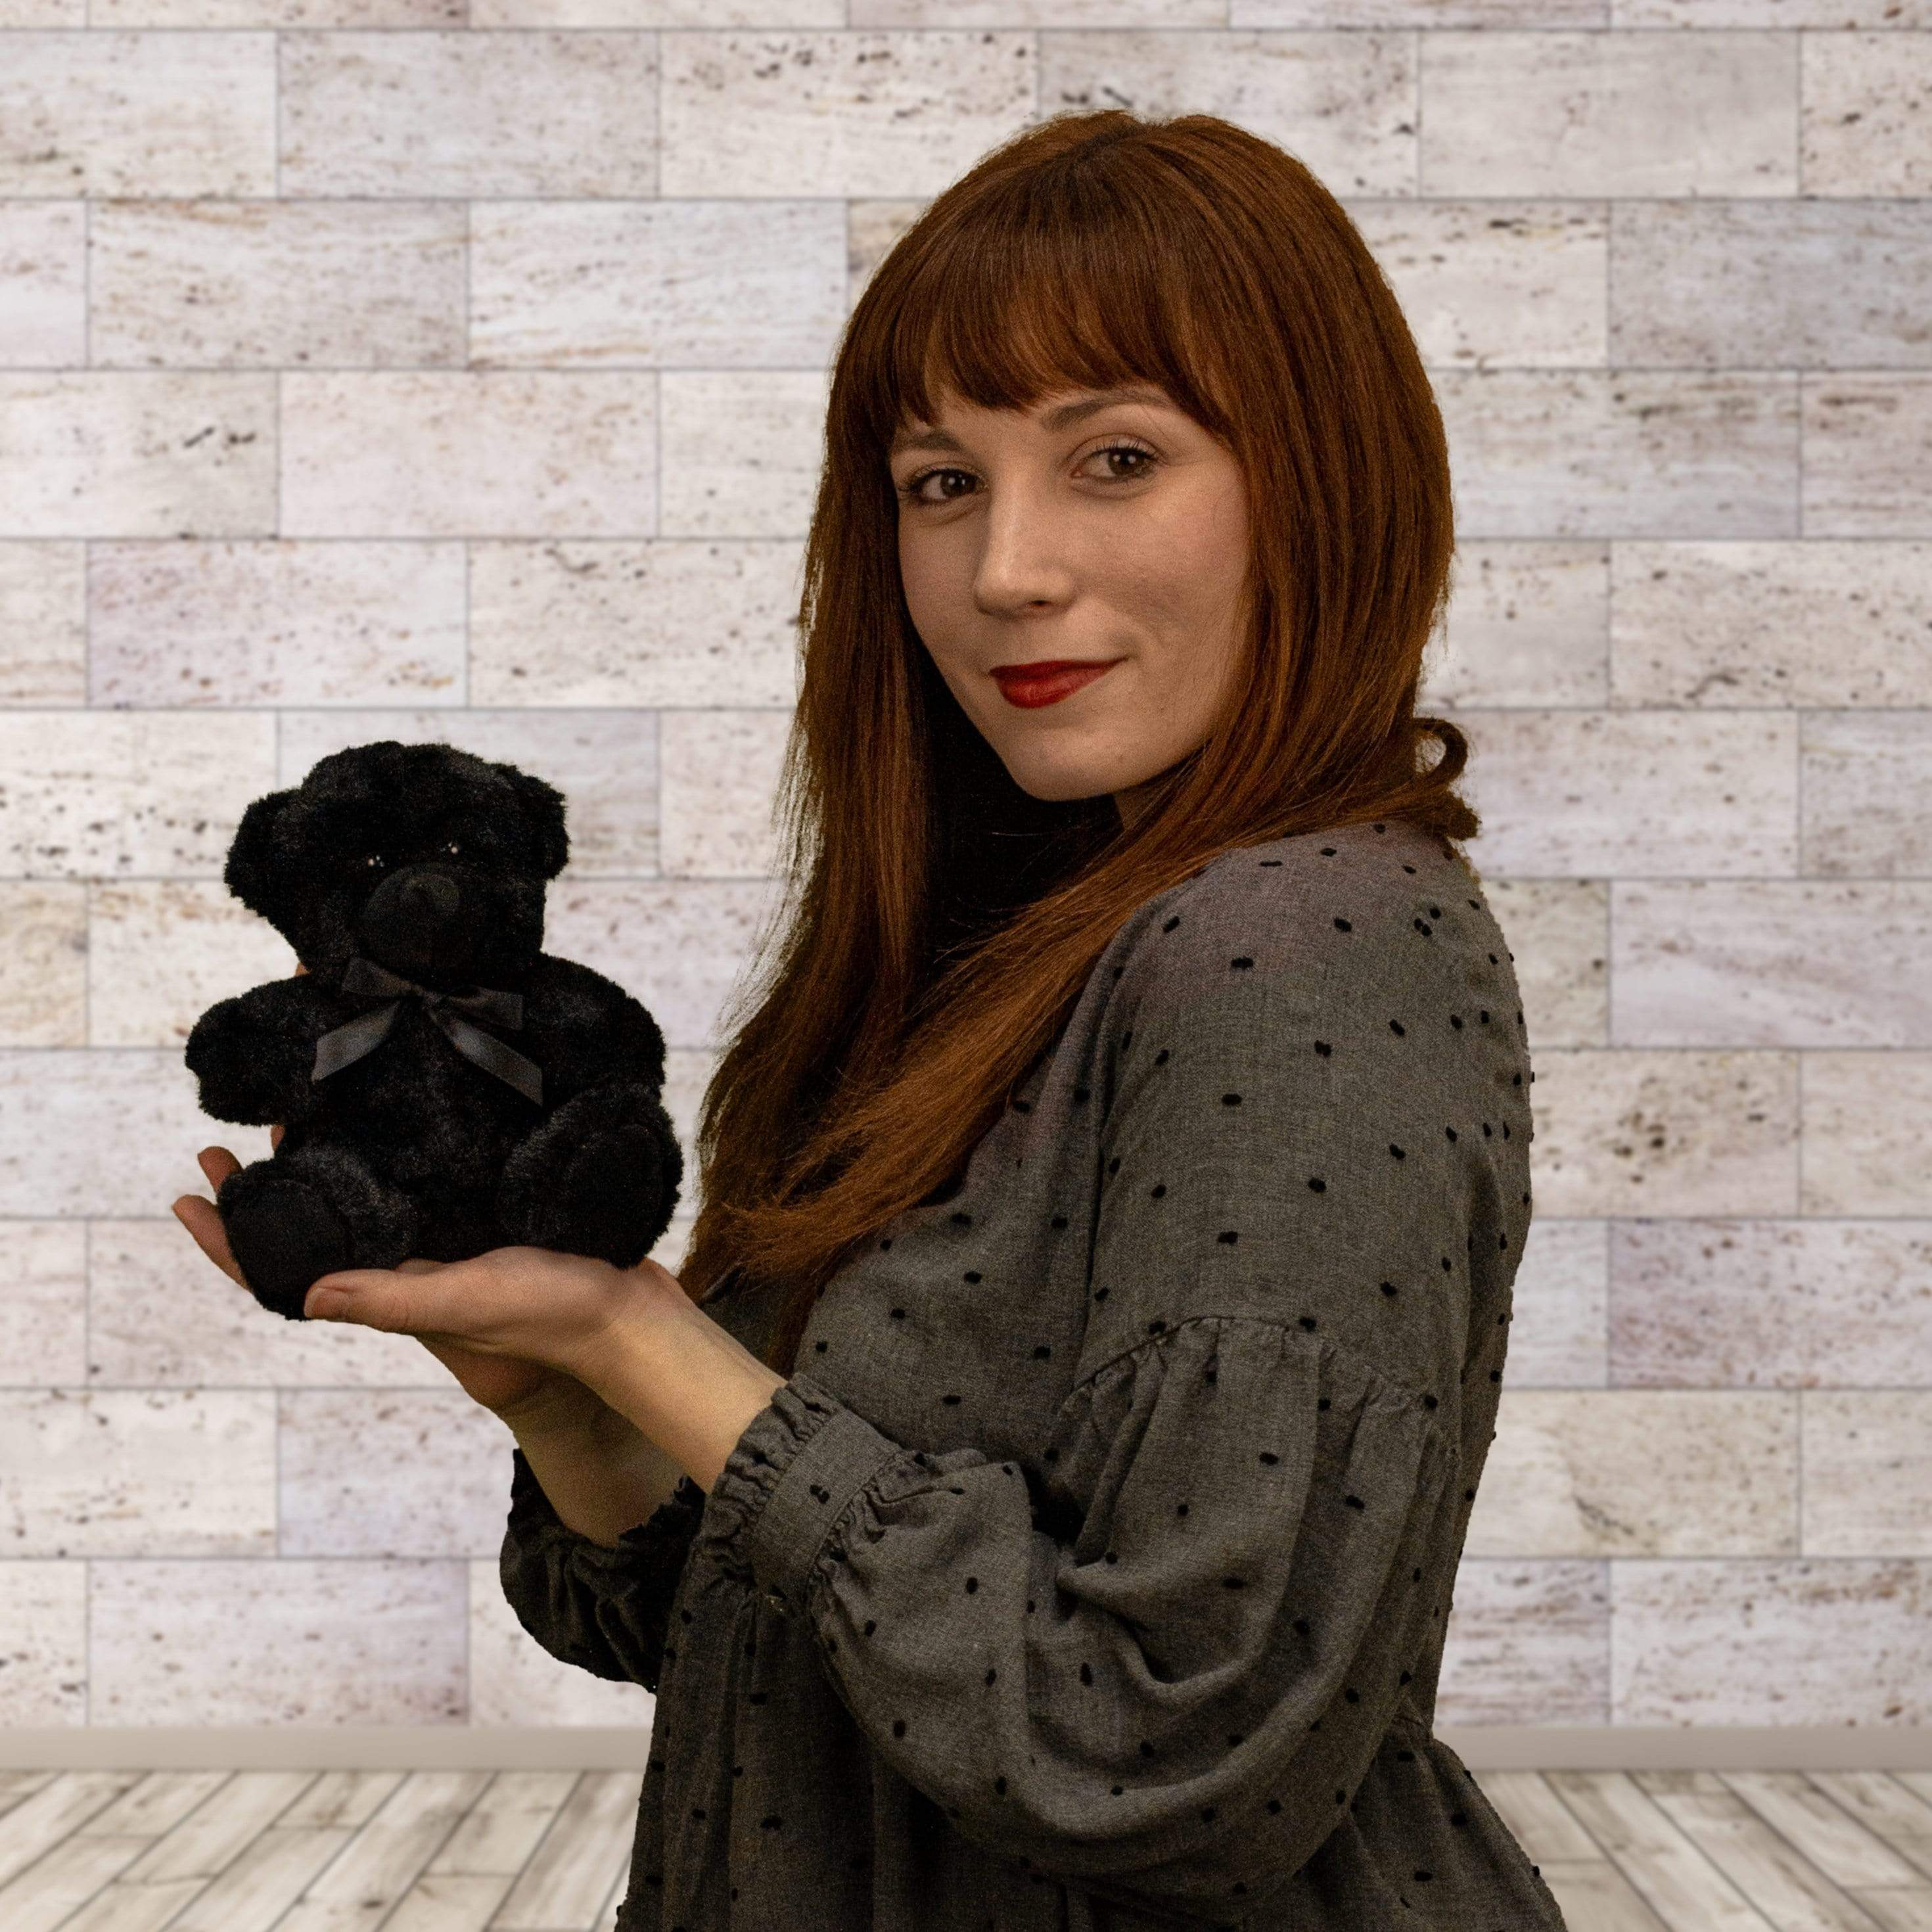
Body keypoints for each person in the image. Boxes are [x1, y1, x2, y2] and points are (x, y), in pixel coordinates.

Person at [177, 108, 1567, 1931]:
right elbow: (795, 1648)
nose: (1004, 570)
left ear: (1320, 475)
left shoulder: (1294, 938)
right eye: (939, 482)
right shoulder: (1019, 937)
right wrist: (574, 1396)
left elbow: (1158, 1752)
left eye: (1115, 457)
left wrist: (659, 1346)